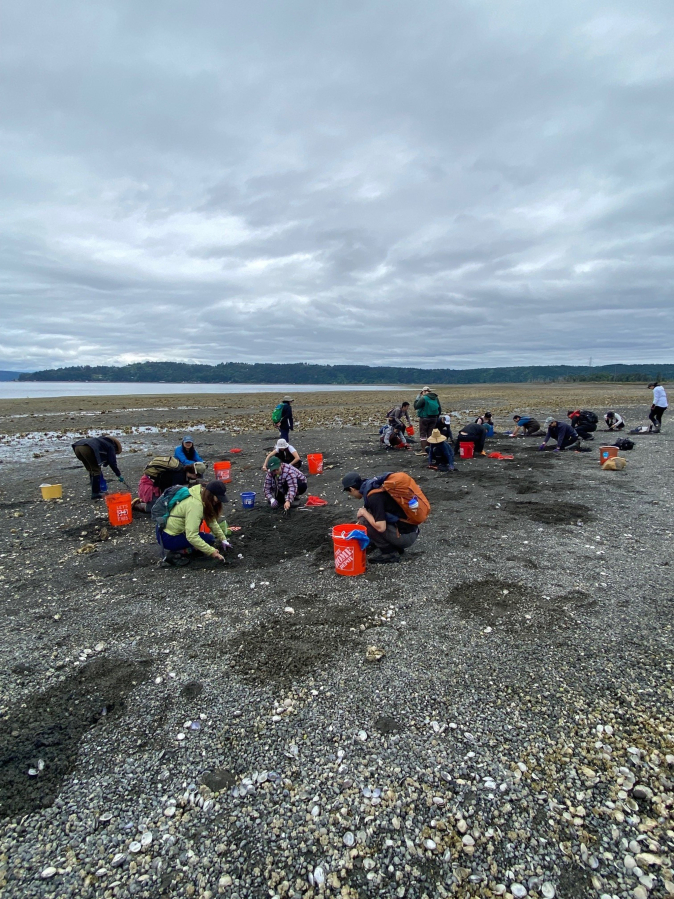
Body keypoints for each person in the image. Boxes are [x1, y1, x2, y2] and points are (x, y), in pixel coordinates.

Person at [342, 471, 420, 563]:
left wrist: (364, 513)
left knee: (365, 520)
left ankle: (389, 553)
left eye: (349, 493)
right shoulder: (373, 486)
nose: (351, 496)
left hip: (406, 537)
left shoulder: (373, 497)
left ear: (352, 489)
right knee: (368, 514)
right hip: (411, 530)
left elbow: (381, 527)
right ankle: (393, 545)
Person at [157, 480, 232, 566]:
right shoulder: (195, 505)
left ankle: (190, 549)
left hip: (169, 531)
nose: (218, 501)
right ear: (211, 495)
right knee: (206, 540)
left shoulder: (200, 495)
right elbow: (192, 536)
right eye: (218, 498)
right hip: (168, 536)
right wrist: (211, 552)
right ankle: (176, 553)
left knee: (208, 539)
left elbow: (211, 521)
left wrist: (223, 539)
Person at [134, 456, 206, 513]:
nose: (197, 478)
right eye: (198, 476)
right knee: (154, 508)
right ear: (194, 474)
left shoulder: (182, 469)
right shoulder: (179, 477)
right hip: (149, 484)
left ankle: (146, 501)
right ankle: (136, 505)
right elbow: (170, 491)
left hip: (158, 485)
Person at [72, 435, 125, 500]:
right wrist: (118, 474)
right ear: (116, 447)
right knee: (96, 470)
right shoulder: (110, 446)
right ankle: (95, 493)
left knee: (91, 469)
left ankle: (95, 489)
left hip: (77, 447)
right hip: (87, 447)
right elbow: (112, 462)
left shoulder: (101, 441)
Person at [413, 387, 442, 453]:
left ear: (424, 391)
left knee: (423, 434)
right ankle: (431, 450)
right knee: (430, 434)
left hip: (424, 418)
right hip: (434, 418)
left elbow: (416, 406)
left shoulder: (424, 398)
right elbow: (439, 409)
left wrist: (417, 398)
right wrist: (437, 417)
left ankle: (423, 450)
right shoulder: (435, 398)